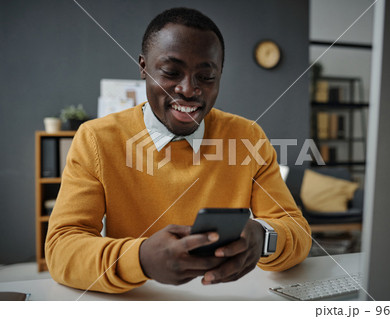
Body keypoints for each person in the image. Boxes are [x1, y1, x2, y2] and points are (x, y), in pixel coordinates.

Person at [45, 7, 311, 294]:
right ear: (144, 67)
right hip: (140, 301)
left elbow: (296, 231)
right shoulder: (96, 139)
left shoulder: (247, 137)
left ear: (220, 73)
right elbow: (62, 249)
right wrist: (142, 259)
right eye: (172, 72)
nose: (188, 89)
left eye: (206, 77)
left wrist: (263, 236)